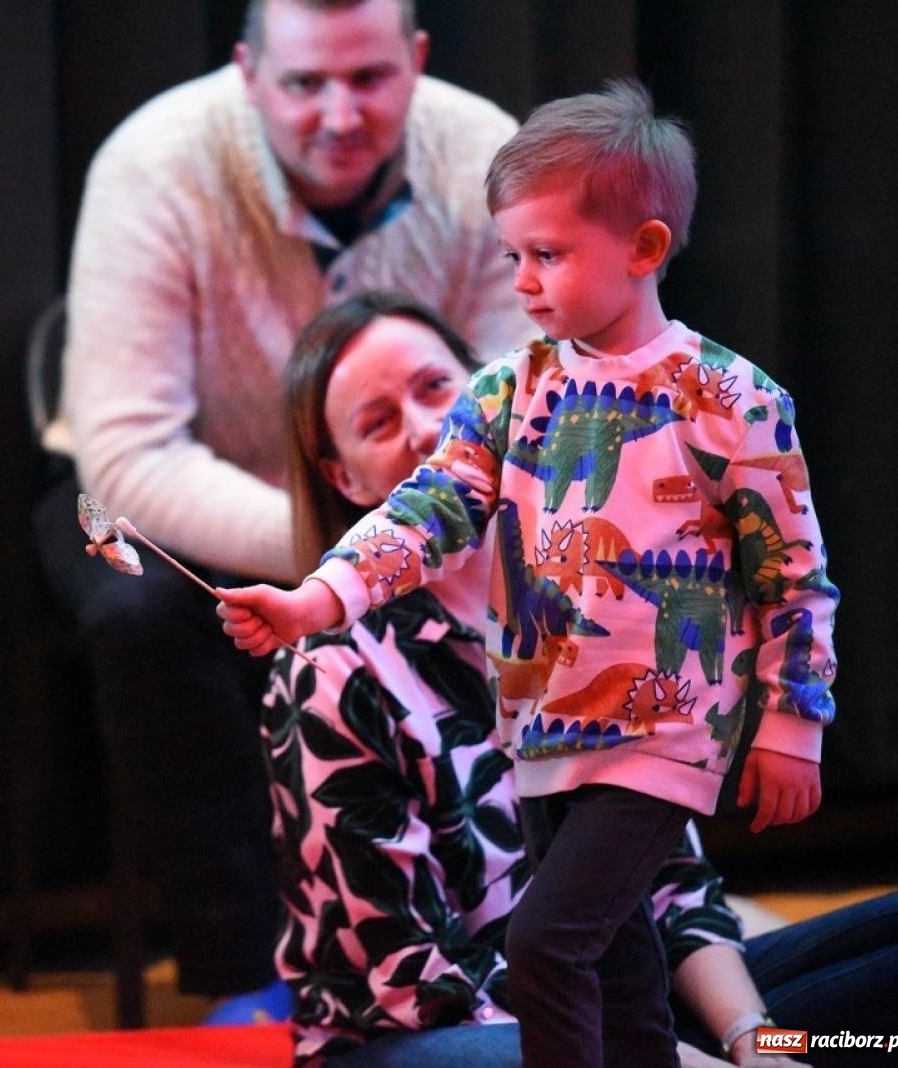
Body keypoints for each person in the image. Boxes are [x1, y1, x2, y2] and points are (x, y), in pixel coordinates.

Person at [219, 81, 841, 1066]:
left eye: (544, 255)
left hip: (657, 727)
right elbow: (426, 510)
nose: (522, 283)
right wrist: (315, 597)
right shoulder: (510, 395)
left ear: (642, 249)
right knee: (610, 973)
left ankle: (788, 1047)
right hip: (536, 750)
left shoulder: (732, 399)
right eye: (513, 257)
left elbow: (790, 573)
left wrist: (790, 724)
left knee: (552, 946)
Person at [263, 289, 898, 1068]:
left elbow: (671, 884)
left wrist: (748, 1042)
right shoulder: (334, 667)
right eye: (377, 422)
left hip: (626, 1003)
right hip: (435, 1028)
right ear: (347, 480)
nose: (426, 428)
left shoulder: (598, 596)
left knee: (894, 960)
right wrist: (680, 1063)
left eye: (438, 389)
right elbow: (410, 973)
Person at [35, 0, 534, 1018]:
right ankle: (245, 978)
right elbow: (126, 457)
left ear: (419, 60)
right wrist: (355, 561)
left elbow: (513, 404)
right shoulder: (153, 162)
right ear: (248, 73)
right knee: (137, 616)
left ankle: (535, 923)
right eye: (306, 83)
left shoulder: (486, 153)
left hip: (430, 501)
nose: (339, 115)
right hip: (183, 496)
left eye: (369, 78)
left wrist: (407, 542)